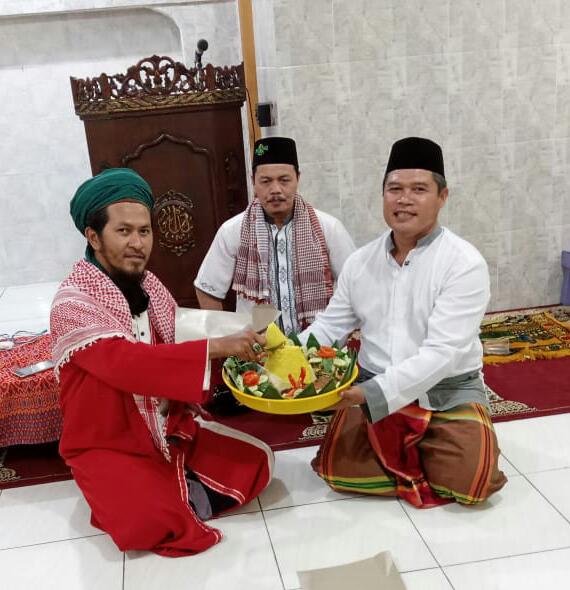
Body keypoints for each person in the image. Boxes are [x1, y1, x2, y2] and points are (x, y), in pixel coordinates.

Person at [50, 168, 274, 557]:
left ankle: (174, 486)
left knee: (260, 462)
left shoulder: (150, 286)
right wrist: (218, 346)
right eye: (123, 231)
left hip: (166, 428)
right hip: (108, 443)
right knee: (149, 524)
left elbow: (181, 337)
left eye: (144, 231)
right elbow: (128, 364)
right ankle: (168, 492)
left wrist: (243, 340)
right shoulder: (73, 304)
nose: (137, 243)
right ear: (93, 236)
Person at [302, 137, 507, 508]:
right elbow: (329, 328)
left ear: (443, 197)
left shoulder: (464, 263)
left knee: (472, 485)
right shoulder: (360, 262)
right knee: (335, 472)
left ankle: (424, 448)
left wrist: (371, 395)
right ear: (383, 195)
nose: (404, 199)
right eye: (394, 189)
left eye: (419, 189)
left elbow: (442, 353)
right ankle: (419, 453)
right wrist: (283, 355)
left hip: (446, 391)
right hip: (371, 380)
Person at [194, 136, 356, 336]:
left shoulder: (329, 228)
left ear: (298, 178)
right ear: (253, 181)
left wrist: (341, 333)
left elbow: (355, 286)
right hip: (256, 348)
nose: (276, 190)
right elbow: (207, 290)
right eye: (266, 181)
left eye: (284, 180)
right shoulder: (232, 231)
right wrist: (226, 340)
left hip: (318, 347)